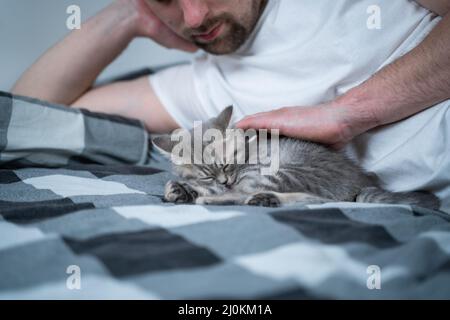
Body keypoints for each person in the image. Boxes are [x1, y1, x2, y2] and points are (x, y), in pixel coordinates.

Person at [12, 0, 450, 211]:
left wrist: (348, 113)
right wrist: (125, 18)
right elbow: (25, 114)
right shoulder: (203, 85)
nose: (196, 16)